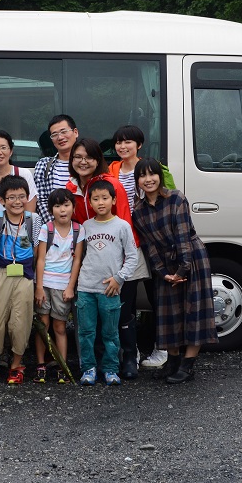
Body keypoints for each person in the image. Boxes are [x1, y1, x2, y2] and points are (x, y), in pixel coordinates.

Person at [131, 157, 218, 384]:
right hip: (165, 266)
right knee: (168, 314)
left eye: (152, 174)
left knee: (194, 312)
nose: (148, 179)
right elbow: (149, 246)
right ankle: (172, 360)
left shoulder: (176, 198)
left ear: (160, 177)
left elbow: (182, 237)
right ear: (137, 180)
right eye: (142, 175)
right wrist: (162, 272)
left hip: (191, 258)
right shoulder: (138, 211)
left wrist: (183, 269)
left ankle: (187, 365)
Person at [66, 138, 142, 379]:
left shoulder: (110, 185)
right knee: (92, 323)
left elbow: (124, 224)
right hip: (91, 264)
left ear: (98, 160)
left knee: (124, 313)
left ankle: (129, 358)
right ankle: (95, 365)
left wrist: (120, 274)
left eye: (89, 157)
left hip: (119, 261)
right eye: (77, 157)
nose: (83, 161)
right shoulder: (73, 188)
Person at [108, 125, 176, 370]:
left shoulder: (153, 169)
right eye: (119, 142)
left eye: (128, 142)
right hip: (125, 244)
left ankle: (163, 348)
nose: (122, 146)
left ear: (139, 144)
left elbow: (169, 199)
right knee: (127, 300)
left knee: (158, 298)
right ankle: (131, 350)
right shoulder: (112, 169)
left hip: (152, 241)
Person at [76, 180, 137, 386]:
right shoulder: (86, 226)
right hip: (86, 287)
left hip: (110, 289)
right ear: (89, 202)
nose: (100, 202)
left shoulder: (122, 226)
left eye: (105, 198)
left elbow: (132, 257)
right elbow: (80, 256)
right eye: (95, 199)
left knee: (110, 332)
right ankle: (89, 368)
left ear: (113, 200)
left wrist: (119, 278)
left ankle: (111, 368)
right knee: (86, 332)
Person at [0, 175, 43, 385]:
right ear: (2, 200)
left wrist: (35, 281)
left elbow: (37, 249)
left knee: (20, 322)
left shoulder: (33, 219)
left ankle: (16, 365)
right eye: (11, 197)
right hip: (0, 272)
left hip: (25, 275)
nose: (17, 202)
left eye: (21, 197)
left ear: (27, 197)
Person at [33, 188, 85, 384]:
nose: (62, 210)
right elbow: (40, 259)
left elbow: (77, 260)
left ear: (73, 207)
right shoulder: (47, 229)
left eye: (66, 205)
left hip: (63, 286)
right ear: (51, 209)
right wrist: (38, 287)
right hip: (45, 284)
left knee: (60, 326)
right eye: (57, 206)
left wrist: (71, 286)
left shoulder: (79, 230)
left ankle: (62, 364)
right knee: (42, 325)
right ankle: (40, 364)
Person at [34, 114, 78, 222]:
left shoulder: (86, 163)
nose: (60, 137)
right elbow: (41, 200)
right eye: (54, 134)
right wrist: (56, 227)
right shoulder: (44, 165)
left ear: (75, 132)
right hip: (54, 230)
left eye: (64, 131)